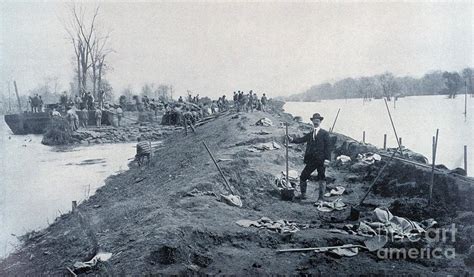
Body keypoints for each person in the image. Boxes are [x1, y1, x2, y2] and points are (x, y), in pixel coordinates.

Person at [288, 113, 331, 200]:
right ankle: (303, 194)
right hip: (311, 160)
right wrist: (292, 140)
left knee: (321, 178)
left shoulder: (325, 133)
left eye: (317, 121)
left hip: (321, 160)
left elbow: (328, 147)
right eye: (314, 120)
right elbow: (301, 139)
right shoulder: (311, 134)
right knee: (303, 176)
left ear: (320, 122)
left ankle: (321, 198)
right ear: (312, 121)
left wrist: (327, 159)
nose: (316, 122)